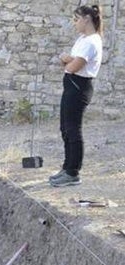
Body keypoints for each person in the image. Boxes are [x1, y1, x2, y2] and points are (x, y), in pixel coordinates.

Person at [50, 5, 103, 187]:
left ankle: (73, 172)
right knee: (65, 128)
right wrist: (67, 59)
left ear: (87, 19)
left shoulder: (92, 42)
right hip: (72, 85)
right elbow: (67, 62)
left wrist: (67, 58)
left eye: (76, 19)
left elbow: (73, 66)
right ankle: (67, 167)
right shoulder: (82, 39)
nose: (75, 24)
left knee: (73, 129)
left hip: (79, 87)